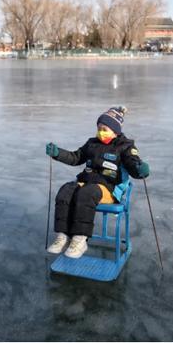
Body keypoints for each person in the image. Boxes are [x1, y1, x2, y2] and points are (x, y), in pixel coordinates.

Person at [45, 106, 150, 259]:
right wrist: (57, 153)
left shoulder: (125, 147)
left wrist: (141, 170)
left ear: (116, 131)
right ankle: (63, 236)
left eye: (105, 128)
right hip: (87, 182)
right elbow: (75, 157)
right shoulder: (92, 143)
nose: (101, 131)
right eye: (99, 128)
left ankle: (80, 240)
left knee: (87, 193)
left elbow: (134, 166)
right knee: (66, 191)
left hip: (109, 188)